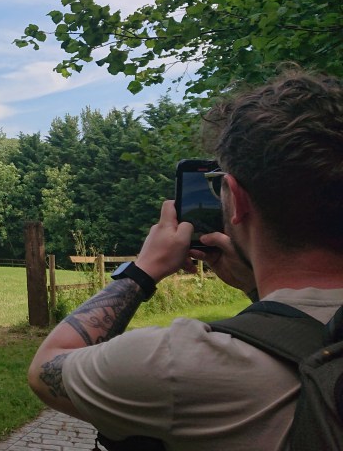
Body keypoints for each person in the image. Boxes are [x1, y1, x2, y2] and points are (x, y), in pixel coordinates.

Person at [27, 70, 343, 450]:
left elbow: (47, 367)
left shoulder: (181, 365)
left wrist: (142, 272)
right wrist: (255, 288)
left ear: (236, 200)